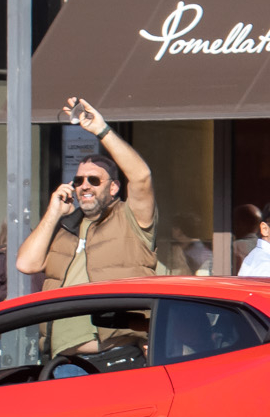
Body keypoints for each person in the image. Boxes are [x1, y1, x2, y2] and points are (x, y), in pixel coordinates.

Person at [17, 98, 162, 292]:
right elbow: (26, 264)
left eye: (94, 180)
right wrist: (53, 213)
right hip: (60, 320)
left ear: (113, 188)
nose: (85, 186)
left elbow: (141, 176)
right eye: (79, 181)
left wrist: (101, 130)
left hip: (114, 322)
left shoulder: (130, 218)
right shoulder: (66, 227)